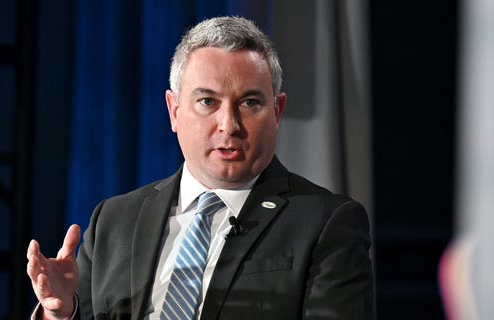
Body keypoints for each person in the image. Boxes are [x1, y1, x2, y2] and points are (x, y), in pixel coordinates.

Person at [27, 16, 374, 320]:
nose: (229, 125)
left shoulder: (326, 223)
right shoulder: (114, 221)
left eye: (250, 103)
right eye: (208, 102)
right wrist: (60, 313)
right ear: (174, 111)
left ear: (277, 112)